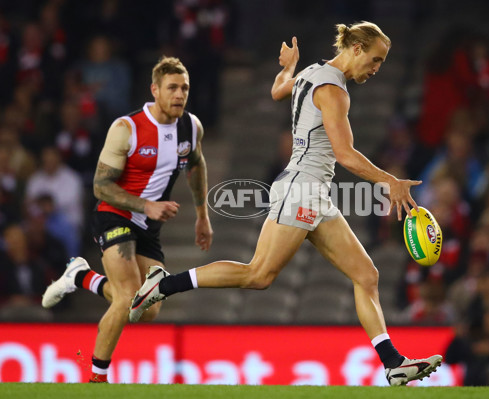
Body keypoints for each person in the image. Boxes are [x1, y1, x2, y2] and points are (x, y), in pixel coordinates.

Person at [129, 22, 442, 386]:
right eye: (375, 59)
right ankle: (163, 285)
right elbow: (344, 153)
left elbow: (279, 90)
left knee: (366, 275)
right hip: (302, 188)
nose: (376, 68)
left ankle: (393, 363)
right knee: (258, 274)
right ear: (356, 48)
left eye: (382, 63)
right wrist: (390, 181)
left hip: (314, 192)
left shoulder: (313, 72)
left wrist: (288, 68)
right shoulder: (334, 90)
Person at [41, 56, 213, 383]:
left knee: (147, 309)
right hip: (115, 215)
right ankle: (97, 378)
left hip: (149, 226)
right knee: (125, 297)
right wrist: (145, 204)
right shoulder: (127, 128)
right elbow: (100, 186)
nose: (180, 94)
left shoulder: (191, 126)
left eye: (185, 88)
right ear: (155, 90)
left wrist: (202, 216)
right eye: (172, 88)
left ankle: (82, 277)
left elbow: (197, 164)